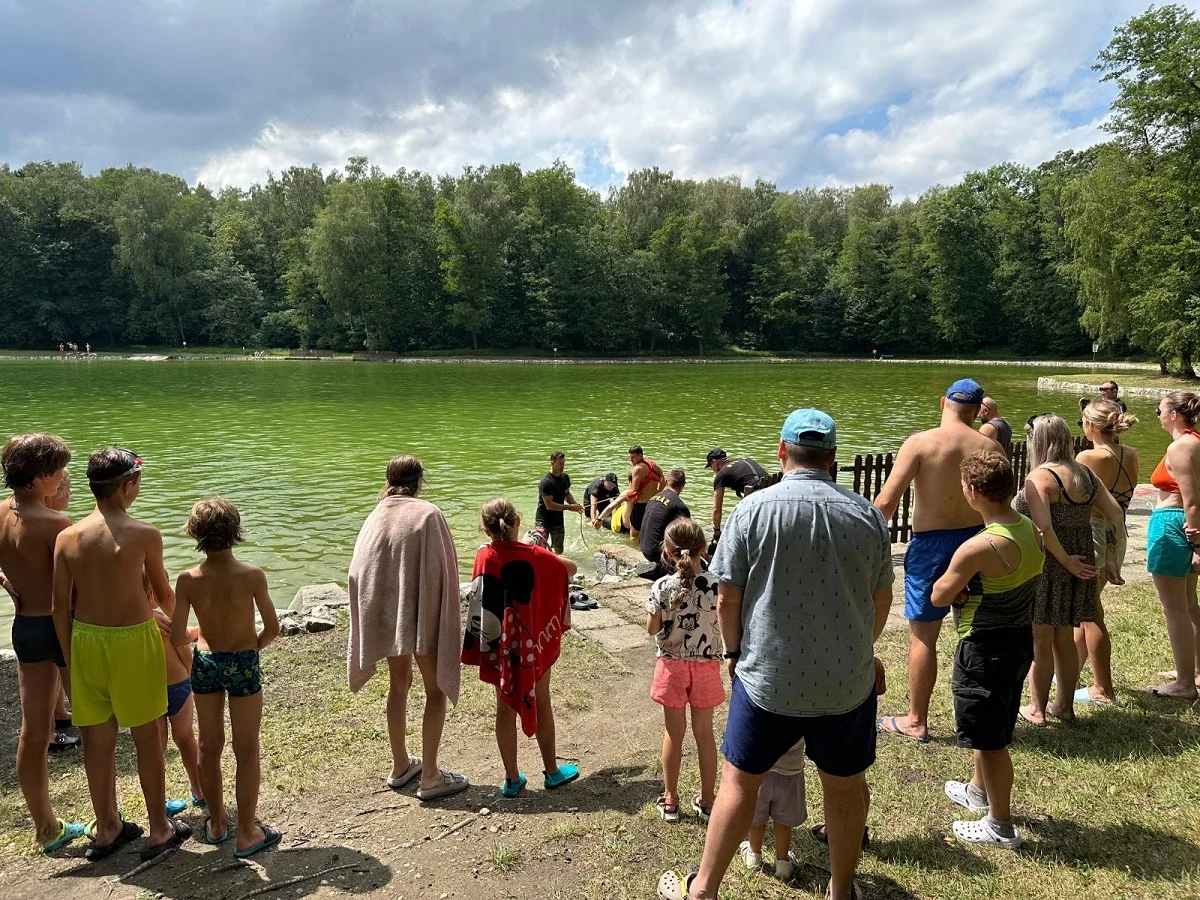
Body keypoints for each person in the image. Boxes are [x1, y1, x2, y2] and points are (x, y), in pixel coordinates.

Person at [658, 409, 893, 900]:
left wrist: (734, 652)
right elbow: (881, 597)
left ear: (782, 452)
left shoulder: (751, 512)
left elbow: (728, 597)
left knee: (740, 784)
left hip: (767, 678)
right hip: (844, 683)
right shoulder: (866, 515)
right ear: (833, 459)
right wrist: (860, 650)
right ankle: (841, 891)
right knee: (845, 787)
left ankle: (703, 889)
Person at [51, 447, 189, 861]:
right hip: (133, 642)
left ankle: (107, 827)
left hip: (85, 642)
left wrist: (68, 664)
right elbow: (164, 595)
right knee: (148, 738)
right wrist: (189, 632)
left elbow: (61, 607)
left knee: (97, 739)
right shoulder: (144, 534)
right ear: (128, 487)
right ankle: (159, 828)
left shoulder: (66, 537)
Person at [874, 378, 1000, 743]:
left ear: (943, 402)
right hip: (979, 541)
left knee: (923, 636)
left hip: (931, 546)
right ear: (978, 411)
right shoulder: (990, 447)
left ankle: (917, 720)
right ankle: (980, 717)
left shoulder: (921, 443)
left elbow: (886, 501)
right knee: (978, 633)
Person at [931, 450, 1044, 849]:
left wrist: (957, 587)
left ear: (973, 491)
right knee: (992, 726)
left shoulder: (980, 547)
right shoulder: (1030, 529)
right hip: (1018, 642)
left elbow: (938, 594)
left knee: (991, 743)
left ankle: (1000, 824)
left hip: (983, 648)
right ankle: (979, 792)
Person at [347, 455, 470, 800]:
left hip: (387, 615)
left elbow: (360, 572)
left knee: (398, 683)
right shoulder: (428, 514)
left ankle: (401, 764)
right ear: (419, 482)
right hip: (420, 611)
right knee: (434, 691)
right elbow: (443, 571)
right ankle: (430, 775)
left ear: (387, 481)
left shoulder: (375, 515)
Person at [169, 499, 279, 855]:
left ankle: (217, 822)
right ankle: (247, 832)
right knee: (246, 749)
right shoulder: (252, 575)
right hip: (243, 661)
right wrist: (252, 648)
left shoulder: (188, 579)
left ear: (195, 534)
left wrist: (198, 640)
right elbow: (273, 628)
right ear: (235, 531)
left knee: (208, 745)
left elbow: (176, 635)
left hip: (207, 661)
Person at [0, 434, 87, 854]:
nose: (60, 479)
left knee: (34, 732)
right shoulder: (57, 525)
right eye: (56, 470)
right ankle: (109, 820)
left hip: (25, 628)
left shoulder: (1, 513)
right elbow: (78, 589)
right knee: (93, 722)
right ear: (39, 476)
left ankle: (46, 828)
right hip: (62, 629)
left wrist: (7, 582)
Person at [463, 498, 580, 797]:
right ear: (517, 520)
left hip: (499, 644)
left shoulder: (483, 556)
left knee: (504, 706)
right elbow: (571, 569)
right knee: (542, 699)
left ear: (485, 529)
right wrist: (537, 547)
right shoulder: (534, 555)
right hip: (530, 643)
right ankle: (552, 771)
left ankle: (512, 778)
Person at [1015, 415, 1125, 725]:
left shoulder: (1040, 477)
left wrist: (1065, 561)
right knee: (1063, 636)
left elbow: (1044, 528)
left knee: (1040, 638)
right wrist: (1112, 561)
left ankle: (1037, 709)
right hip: (1083, 559)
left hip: (1051, 563)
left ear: (1038, 442)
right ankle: (1064, 705)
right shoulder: (1086, 474)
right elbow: (1115, 513)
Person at [645, 518, 722, 825]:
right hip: (706, 668)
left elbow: (652, 628)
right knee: (705, 735)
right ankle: (707, 800)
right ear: (703, 548)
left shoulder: (662, 586)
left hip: (671, 668)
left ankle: (670, 799)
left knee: (673, 735)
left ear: (667, 550)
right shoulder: (718, 584)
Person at [1075, 400, 1139, 703]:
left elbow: (1075, 499)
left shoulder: (1088, 456)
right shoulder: (1132, 455)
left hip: (1093, 533)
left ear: (1090, 426)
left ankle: (1102, 688)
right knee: (1087, 607)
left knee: (1090, 614)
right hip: (1118, 534)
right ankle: (1070, 673)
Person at [1144, 392, 1200, 700]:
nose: (1158, 415)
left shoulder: (1180, 447)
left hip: (1172, 524)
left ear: (1175, 414)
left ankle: (1184, 684)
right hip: (1185, 526)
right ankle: (1193, 670)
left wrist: (1197, 545)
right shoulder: (1197, 441)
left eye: (1159, 410)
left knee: (1174, 608)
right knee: (1189, 604)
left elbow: (1191, 500)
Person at [150, 581, 204, 816]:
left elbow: (185, 642)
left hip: (153, 690)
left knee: (157, 747)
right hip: (177, 686)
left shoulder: (136, 623)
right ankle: (199, 790)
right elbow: (184, 650)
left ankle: (160, 801)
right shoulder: (165, 621)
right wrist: (194, 674)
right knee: (184, 738)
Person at [736, 739, 806, 881]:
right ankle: (783, 862)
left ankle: (754, 855)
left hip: (759, 770)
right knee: (783, 821)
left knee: (756, 818)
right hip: (790, 770)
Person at [639, 468, 692, 579]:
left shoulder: (653, 498)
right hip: (657, 553)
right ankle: (663, 570)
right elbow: (687, 537)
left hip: (643, 547)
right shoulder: (679, 506)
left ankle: (659, 568)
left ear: (667, 482)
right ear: (683, 485)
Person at [705, 449, 767, 537]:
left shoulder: (721, 474)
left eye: (711, 466)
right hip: (771, 492)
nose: (712, 470)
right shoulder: (746, 460)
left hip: (757, 502)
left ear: (714, 462)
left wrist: (717, 531)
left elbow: (716, 509)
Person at [535, 451, 583, 554]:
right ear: (552, 463)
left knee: (559, 551)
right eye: (560, 464)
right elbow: (550, 505)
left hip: (558, 520)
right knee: (539, 549)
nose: (562, 466)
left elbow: (567, 494)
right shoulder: (546, 482)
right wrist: (570, 507)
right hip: (543, 521)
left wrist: (576, 505)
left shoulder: (565, 478)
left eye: (564, 463)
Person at [622, 446, 665, 538]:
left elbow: (633, 491)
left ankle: (633, 550)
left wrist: (623, 497)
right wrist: (657, 493)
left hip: (641, 506)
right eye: (630, 457)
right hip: (653, 503)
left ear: (640, 456)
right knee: (649, 531)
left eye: (633, 457)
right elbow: (664, 482)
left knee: (634, 534)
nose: (630, 459)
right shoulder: (653, 464)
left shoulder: (637, 469)